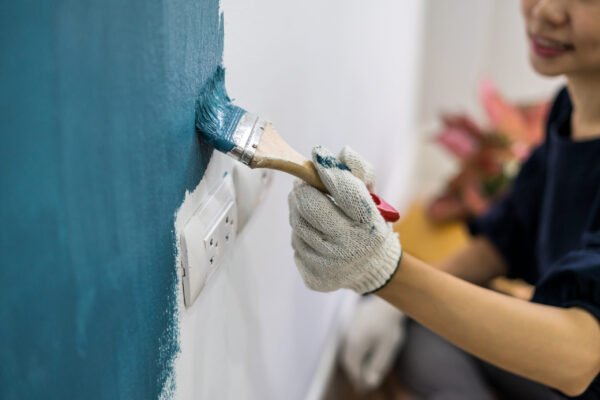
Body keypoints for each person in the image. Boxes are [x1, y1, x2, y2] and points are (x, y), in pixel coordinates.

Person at [287, 0, 600, 398]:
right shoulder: (570, 111)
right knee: (421, 324)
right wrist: (392, 303)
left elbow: (580, 357)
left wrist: (384, 271)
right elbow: (509, 237)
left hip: (576, 369)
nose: (545, 11)